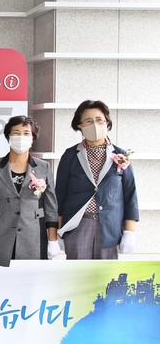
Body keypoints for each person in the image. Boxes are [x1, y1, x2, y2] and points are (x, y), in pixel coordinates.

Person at [56, 100, 138, 259]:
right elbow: (60, 196)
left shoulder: (121, 155)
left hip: (110, 227)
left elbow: (131, 195)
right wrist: (58, 232)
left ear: (107, 122)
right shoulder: (70, 155)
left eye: (99, 119)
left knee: (105, 273)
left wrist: (130, 232)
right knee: (78, 273)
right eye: (88, 121)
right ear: (79, 126)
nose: (94, 124)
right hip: (78, 226)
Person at [0, 116, 60, 266]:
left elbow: (51, 206)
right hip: (1, 234)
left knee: (31, 277)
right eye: (16, 133)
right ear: (8, 137)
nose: (21, 137)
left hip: (34, 235)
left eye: (26, 133)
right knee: (0, 277)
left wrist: (52, 240)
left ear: (33, 138)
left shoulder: (44, 167)